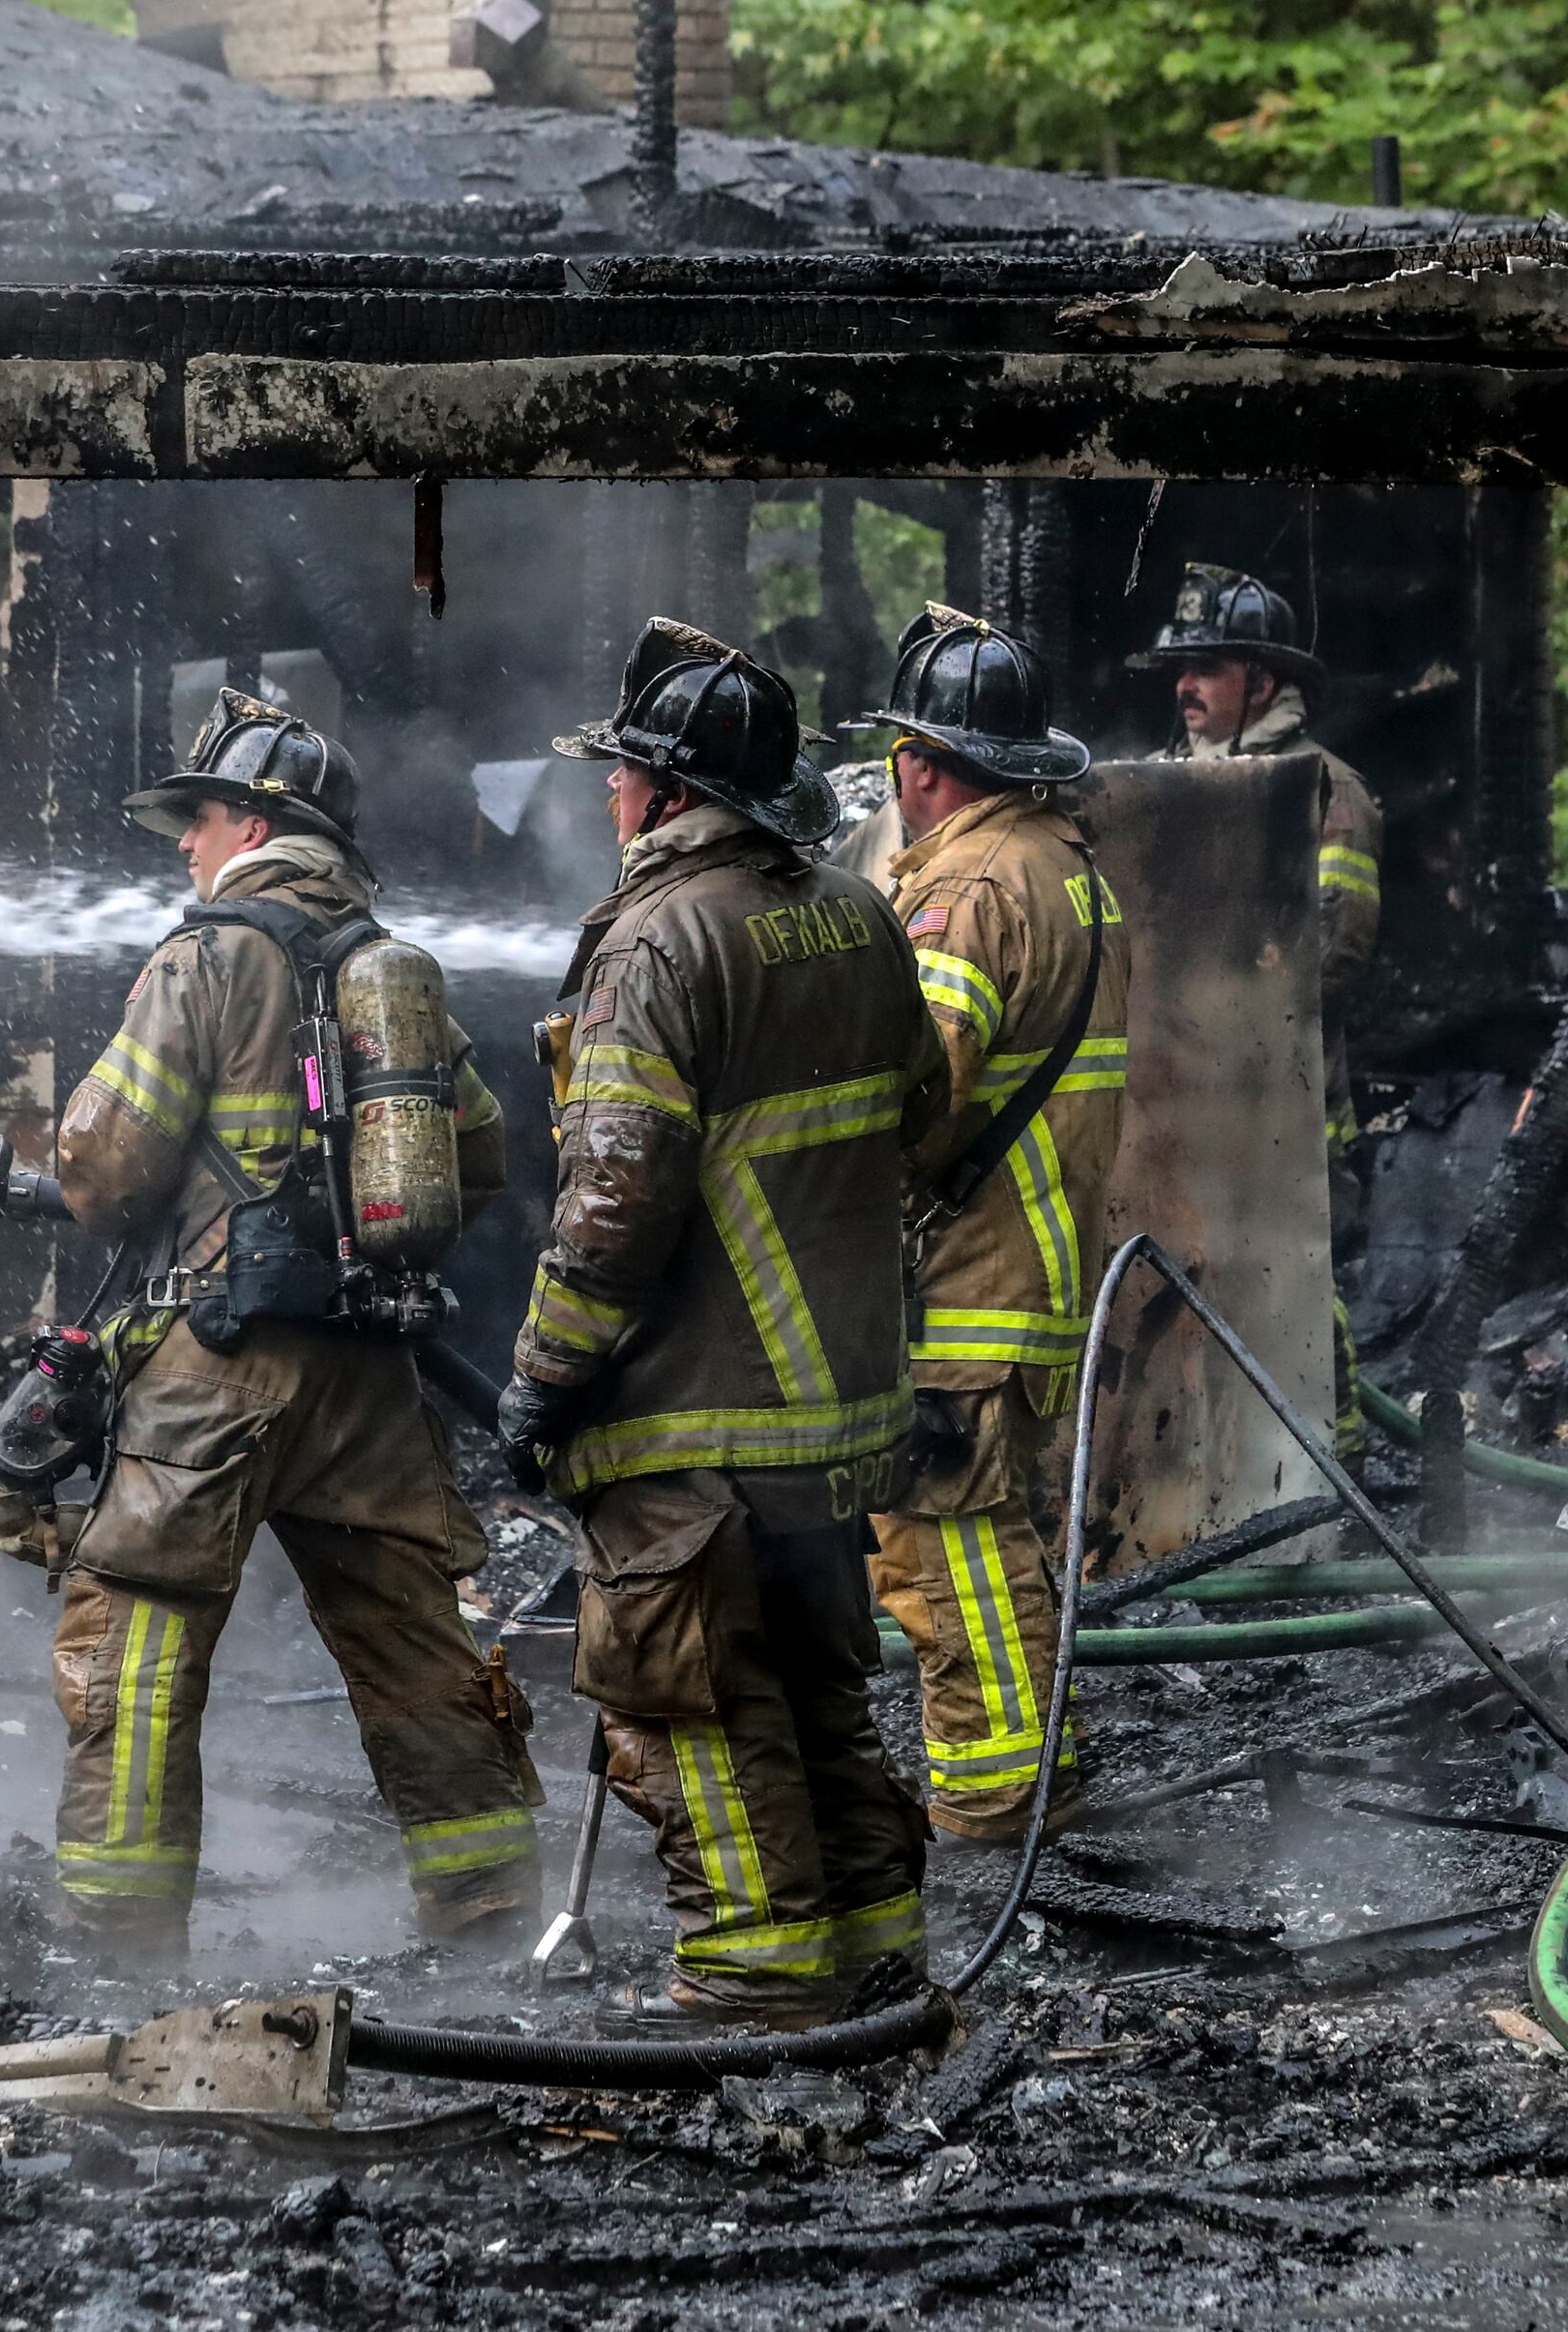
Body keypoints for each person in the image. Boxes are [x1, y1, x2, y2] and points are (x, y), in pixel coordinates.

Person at [13, 689, 540, 1968]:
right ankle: (488, 1918)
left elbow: (100, 1171)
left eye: (196, 819)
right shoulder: (383, 968)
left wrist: (36, 1155)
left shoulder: (203, 957)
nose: (184, 845)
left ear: (252, 821)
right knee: (416, 1638)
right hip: (370, 1372)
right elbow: (476, 1155)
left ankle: (122, 1947)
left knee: (131, 1637)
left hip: (218, 1366)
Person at [497, 621, 944, 2027]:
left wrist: (541, 1380)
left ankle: (759, 1982)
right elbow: (924, 1119)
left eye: (622, 774)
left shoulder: (653, 941)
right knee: (818, 1686)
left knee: (687, 1699)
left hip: (691, 1409)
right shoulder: (861, 916)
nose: (608, 797)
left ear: (664, 791)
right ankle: (881, 1960)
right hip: (835, 1412)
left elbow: (614, 1199)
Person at [858, 606, 1130, 1843]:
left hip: (972, 1282)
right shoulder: (1063, 863)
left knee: (947, 1551)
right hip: (1036, 1275)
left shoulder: (967, 890)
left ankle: (1002, 1797)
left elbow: (918, 1093)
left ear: (922, 763)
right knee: (1005, 1539)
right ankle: (1034, 1775)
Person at [1135, 562, 1381, 1445]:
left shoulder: (1324, 791)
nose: (1184, 684)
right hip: (1178, 1083)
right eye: (1180, 667)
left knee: (1292, 1272)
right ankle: (1221, 1463)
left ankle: (1334, 1464)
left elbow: (1337, 950)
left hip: (1285, 1090)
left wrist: (1221, 1005)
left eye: (1207, 666)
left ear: (1263, 680)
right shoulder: (1164, 783)